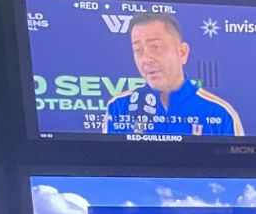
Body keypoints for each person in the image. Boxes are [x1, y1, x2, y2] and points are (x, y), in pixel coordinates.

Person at [104, 11, 243, 137]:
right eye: (138, 50)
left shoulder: (220, 113)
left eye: (156, 47)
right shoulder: (118, 108)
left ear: (182, 53)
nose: (146, 59)